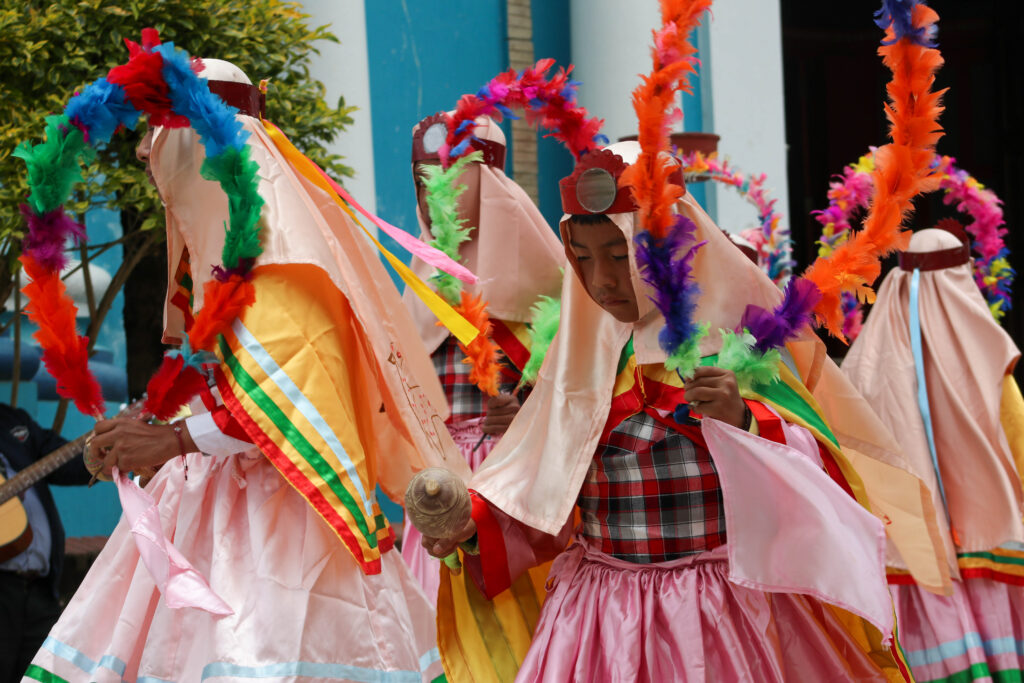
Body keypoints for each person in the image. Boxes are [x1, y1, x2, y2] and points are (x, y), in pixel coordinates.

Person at [414, 141, 927, 681]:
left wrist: (744, 423)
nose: (601, 280)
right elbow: (545, 501)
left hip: (719, 613)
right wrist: (474, 528)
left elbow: (818, 478)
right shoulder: (574, 370)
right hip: (598, 621)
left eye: (619, 255)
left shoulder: (741, 350)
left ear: (669, 252)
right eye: (582, 259)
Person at [23, 58, 465, 683]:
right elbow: (216, 385)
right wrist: (143, 432)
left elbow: (294, 405)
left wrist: (172, 439)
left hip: (290, 526)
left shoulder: (286, 263)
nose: (160, 167)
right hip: (206, 505)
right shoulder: (226, 259)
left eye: (173, 148)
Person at [842, 224, 1024, 683]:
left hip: (910, 553)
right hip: (986, 545)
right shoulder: (986, 353)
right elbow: (1018, 435)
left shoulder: (864, 362)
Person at [400, 113, 563, 600]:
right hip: (436, 485)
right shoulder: (417, 289)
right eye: (423, 181)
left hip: (510, 489)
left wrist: (524, 415)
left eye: (448, 181)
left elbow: (573, 395)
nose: (434, 199)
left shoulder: (541, 287)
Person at [0, 404, 89, 683]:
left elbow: (68, 462)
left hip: (40, 588)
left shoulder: (12, 419)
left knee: (44, 674)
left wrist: (104, 452)